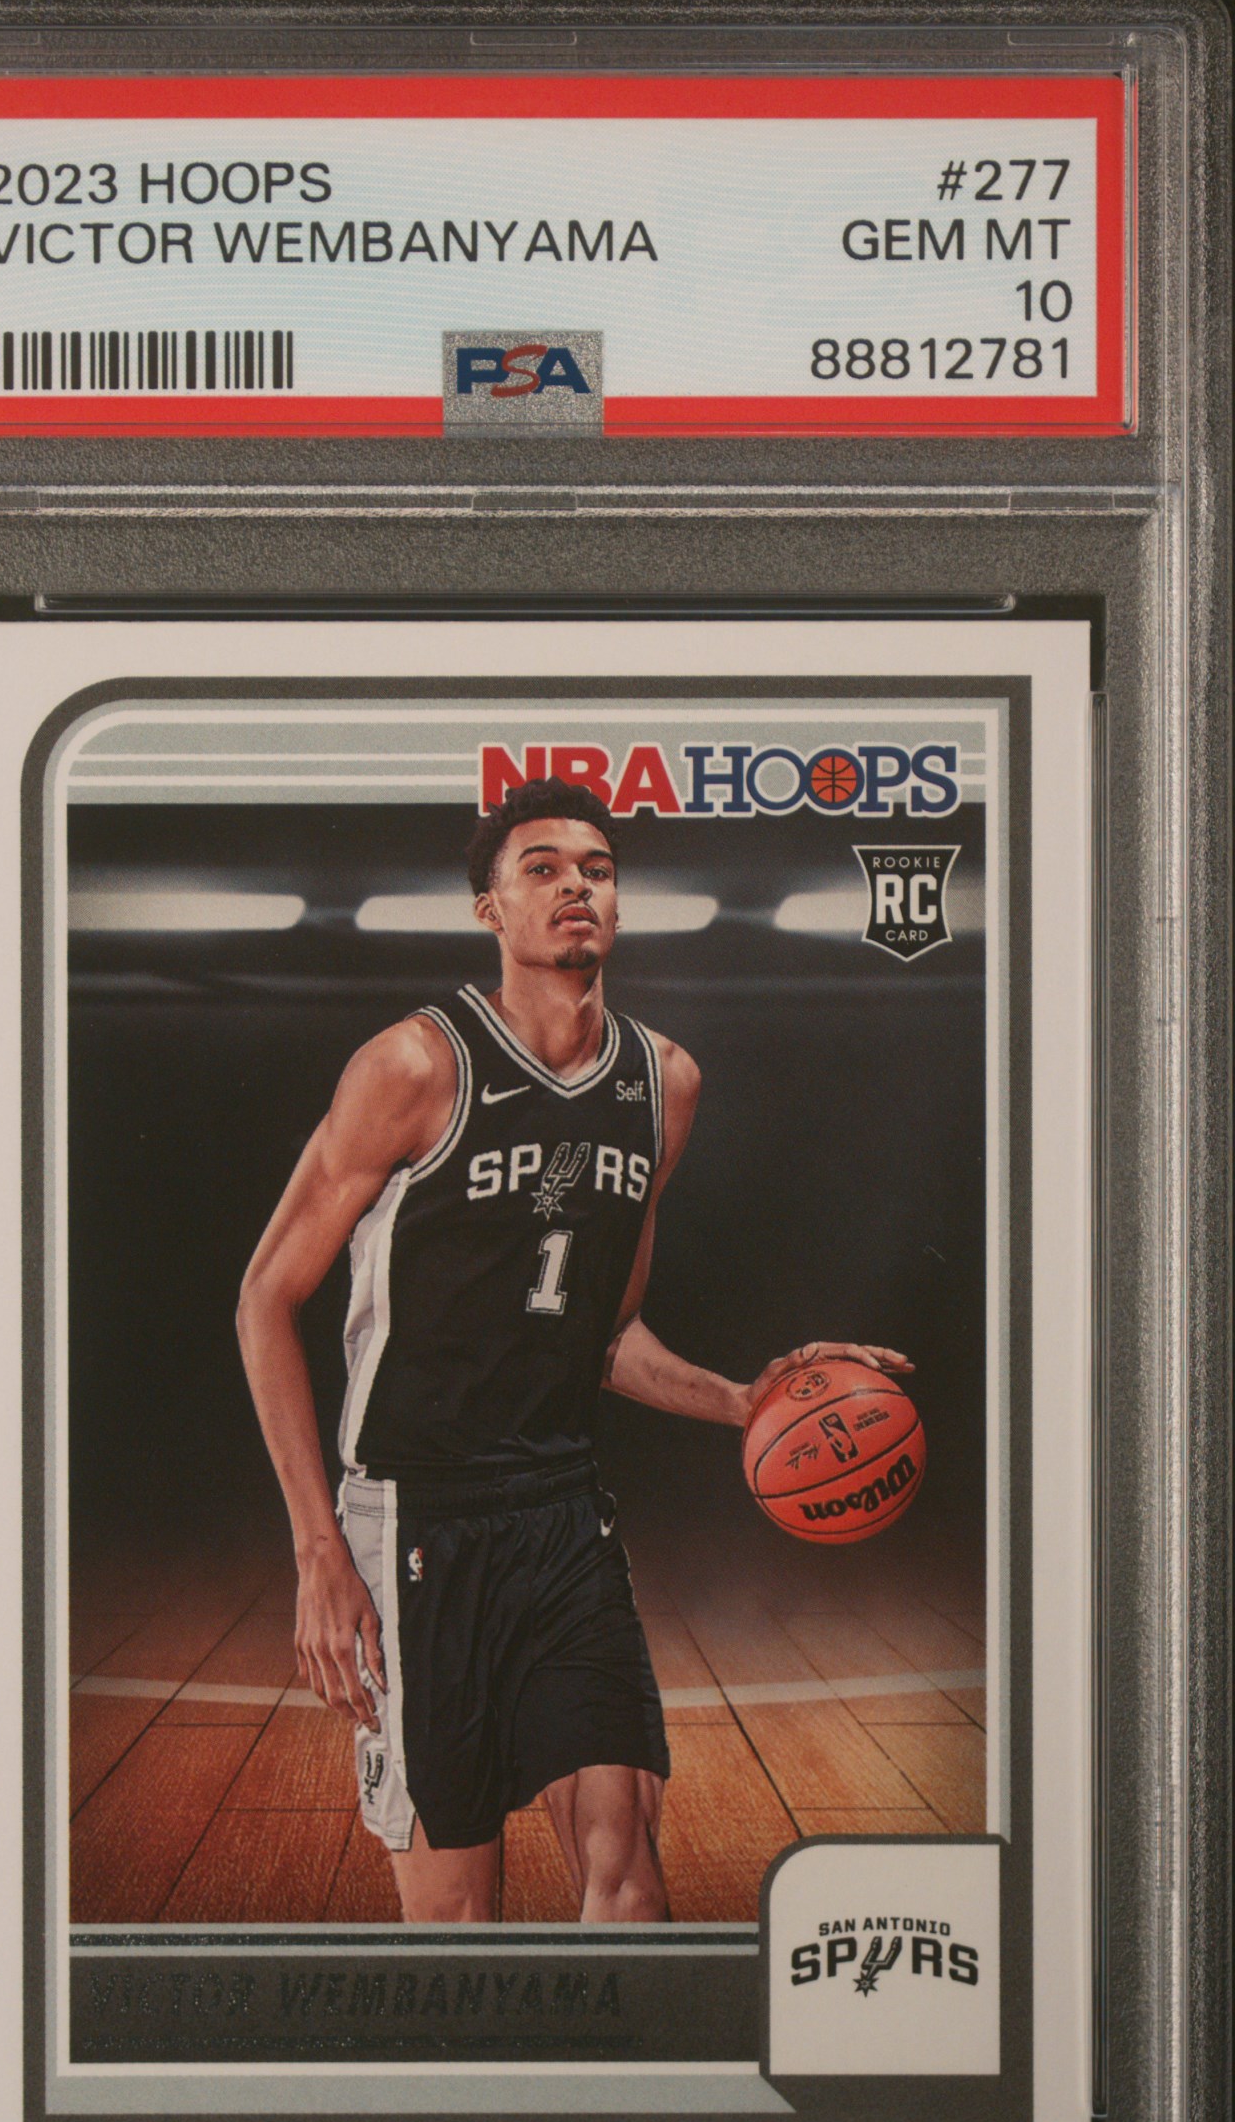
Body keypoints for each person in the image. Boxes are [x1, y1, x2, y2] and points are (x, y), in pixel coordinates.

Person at [237, 777, 911, 1923]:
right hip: (416, 1523)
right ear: (488, 908)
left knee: (628, 1885)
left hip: (562, 1520)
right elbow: (264, 1298)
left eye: (595, 869)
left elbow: (601, 1335)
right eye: (540, 869)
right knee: (458, 1926)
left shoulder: (661, 1085)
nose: (574, 887)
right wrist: (317, 1550)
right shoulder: (413, 1068)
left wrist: (746, 1401)